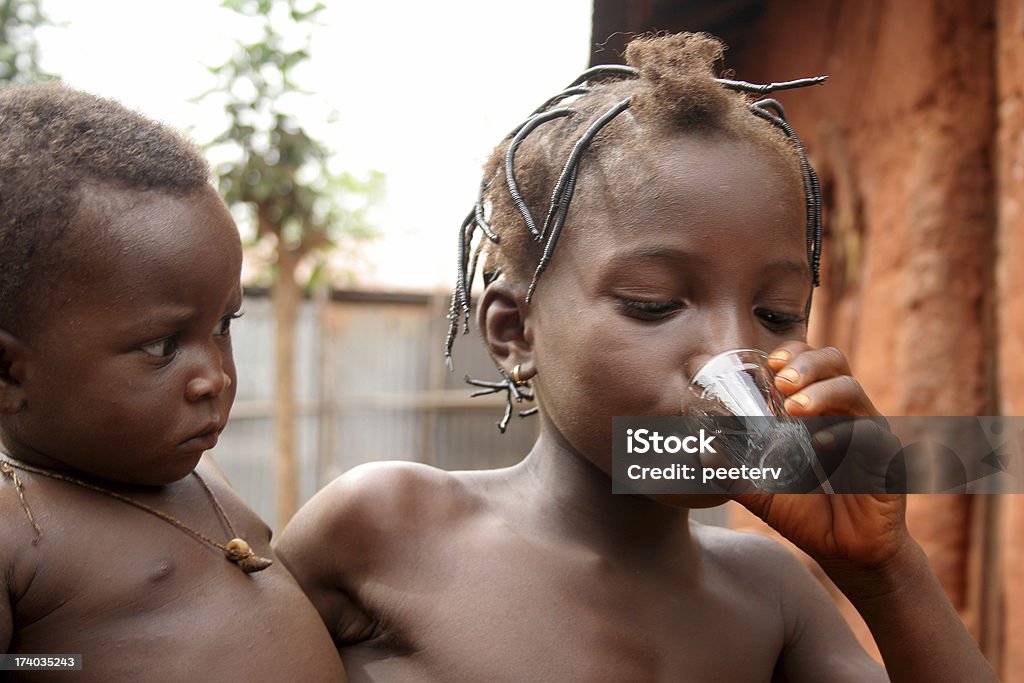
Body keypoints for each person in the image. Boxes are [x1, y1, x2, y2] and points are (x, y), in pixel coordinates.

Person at [277, 33, 996, 681]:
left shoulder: (769, 595)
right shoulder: (387, 529)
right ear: (514, 333)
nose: (732, 350)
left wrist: (887, 571)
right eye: (654, 302)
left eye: (777, 314)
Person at [0, 83, 346, 682]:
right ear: (9, 374)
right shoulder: (16, 529)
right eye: (163, 346)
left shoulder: (205, 479)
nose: (214, 377)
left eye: (223, 325)